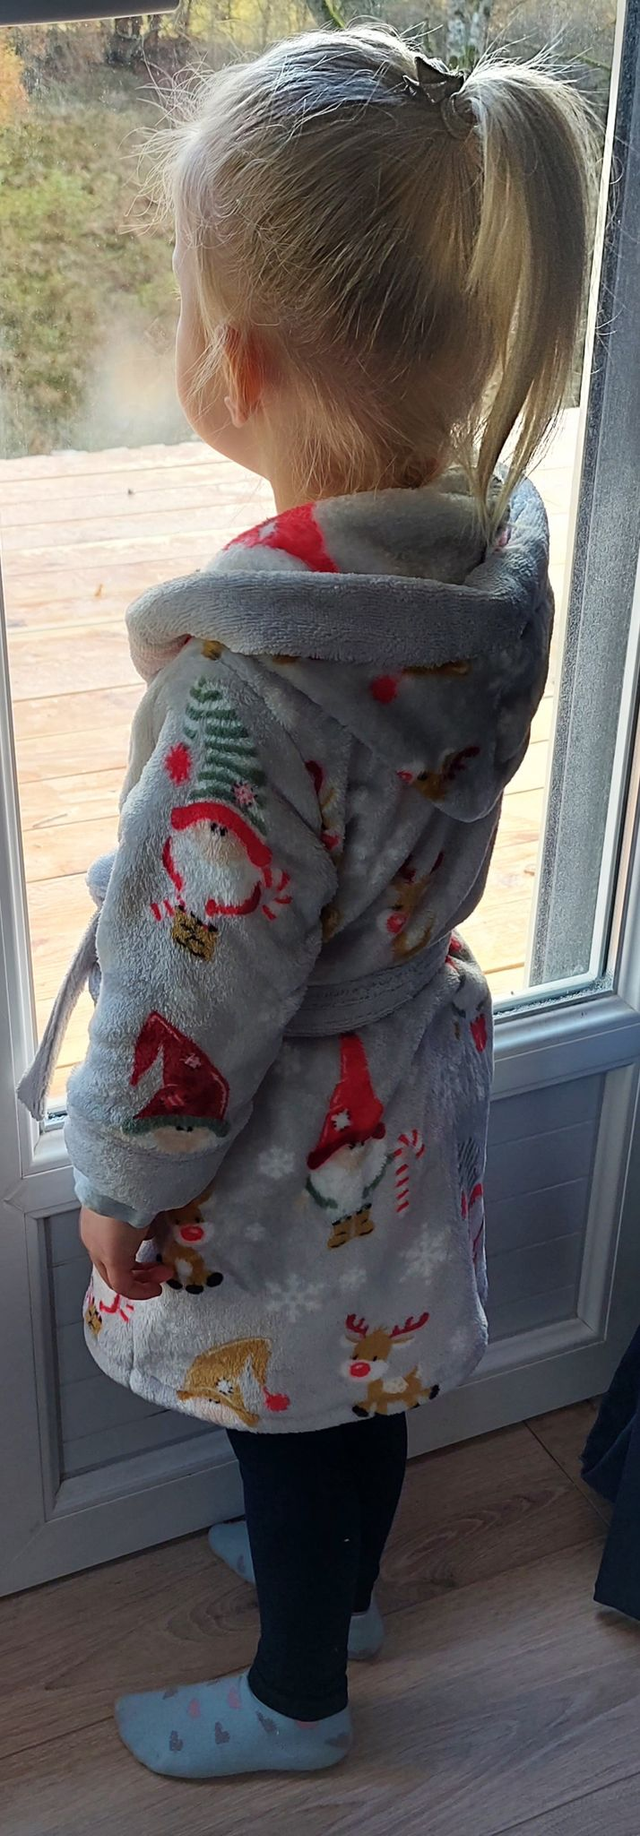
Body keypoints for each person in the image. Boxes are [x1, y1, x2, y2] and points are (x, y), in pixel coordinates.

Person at [20, 27, 597, 1781]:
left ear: (238, 359)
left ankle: (297, 1697)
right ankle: (338, 1591)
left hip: (278, 1140)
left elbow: (188, 997)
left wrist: (120, 1184)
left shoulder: (250, 697)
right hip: (403, 1079)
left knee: (281, 1420)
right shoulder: (483, 570)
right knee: (367, 1375)